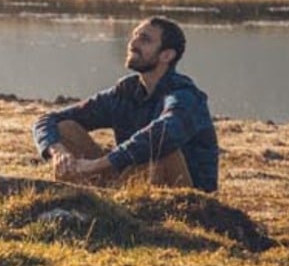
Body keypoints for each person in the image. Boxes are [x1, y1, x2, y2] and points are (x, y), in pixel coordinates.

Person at [31, 16, 218, 192]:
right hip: (130, 179)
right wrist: (58, 152)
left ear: (167, 55)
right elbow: (47, 120)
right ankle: (90, 202)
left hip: (186, 196)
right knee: (65, 129)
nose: (132, 44)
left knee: (162, 152)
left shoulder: (184, 95)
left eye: (144, 40)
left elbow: (162, 134)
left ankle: (113, 202)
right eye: (134, 36)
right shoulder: (125, 92)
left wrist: (99, 164)